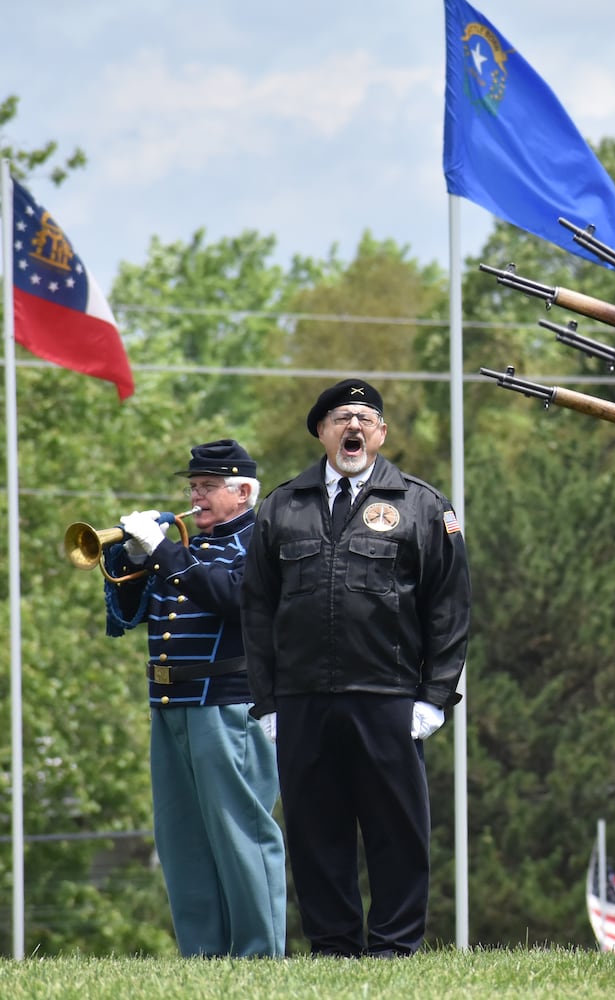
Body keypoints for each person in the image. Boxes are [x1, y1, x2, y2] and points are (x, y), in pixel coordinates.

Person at [241, 378, 471, 958]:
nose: (354, 427)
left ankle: (395, 948)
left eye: (366, 418)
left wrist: (435, 697)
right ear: (321, 431)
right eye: (342, 417)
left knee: (397, 830)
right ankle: (334, 948)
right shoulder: (281, 506)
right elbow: (257, 609)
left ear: (382, 434)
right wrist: (266, 702)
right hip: (302, 699)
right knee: (316, 833)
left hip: (389, 697)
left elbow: (449, 606)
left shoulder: (421, 503)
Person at [107, 439, 285, 957]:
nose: (196, 496)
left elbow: (233, 598)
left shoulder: (261, 540)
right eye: (193, 487)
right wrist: (132, 557)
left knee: (241, 833)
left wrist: (163, 552)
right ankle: (202, 955)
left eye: (207, 487)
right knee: (182, 840)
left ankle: (259, 954)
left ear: (243, 492)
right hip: (171, 706)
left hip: (227, 704)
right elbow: (128, 615)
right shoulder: (186, 544)